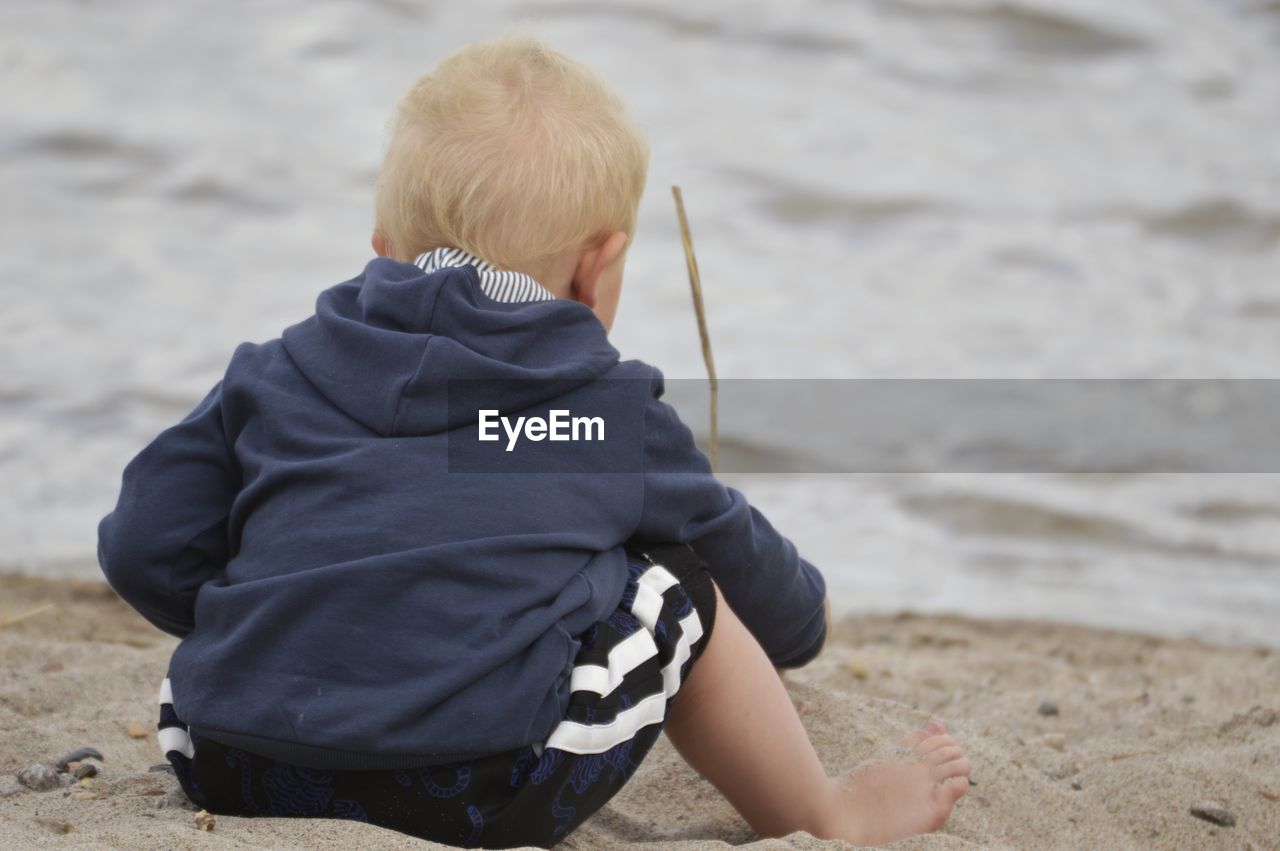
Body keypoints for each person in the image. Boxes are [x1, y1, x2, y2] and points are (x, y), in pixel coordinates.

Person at [97, 34, 969, 848]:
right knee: (677, 587)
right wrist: (804, 617)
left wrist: (301, 616)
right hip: (472, 786)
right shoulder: (596, 411)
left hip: (228, 759)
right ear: (599, 265)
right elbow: (728, 551)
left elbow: (141, 546)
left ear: (383, 250)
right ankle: (825, 811)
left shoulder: (275, 372)